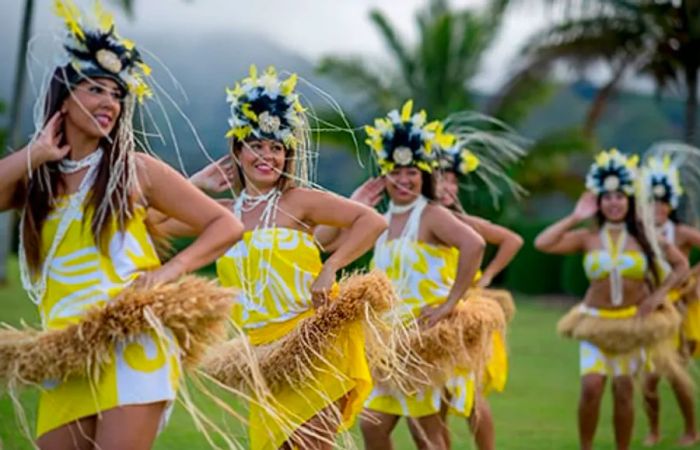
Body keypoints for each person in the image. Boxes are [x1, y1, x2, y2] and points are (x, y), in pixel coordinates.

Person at [0, 1, 243, 449]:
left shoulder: (135, 171)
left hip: (133, 344)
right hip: (65, 354)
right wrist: (33, 155)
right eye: (95, 89)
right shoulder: (35, 181)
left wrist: (165, 275)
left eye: (116, 94)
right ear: (64, 97)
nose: (109, 102)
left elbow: (224, 225)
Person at [158, 65, 389, 450]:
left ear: (287, 155)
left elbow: (371, 221)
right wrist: (193, 185)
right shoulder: (222, 214)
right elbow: (154, 223)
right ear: (237, 151)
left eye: (276, 148)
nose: (267, 156)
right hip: (264, 358)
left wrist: (330, 268)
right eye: (257, 145)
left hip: (316, 345)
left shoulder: (299, 201)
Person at [535, 149, 688, 450]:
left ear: (629, 201)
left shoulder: (646, 235)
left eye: (620, 197)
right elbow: (543, 243)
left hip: (632, 322)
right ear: (599, 202)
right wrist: (575, 217)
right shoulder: (587, 237)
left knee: (623, 391)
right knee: (591, 387)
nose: (614, 203)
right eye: (607, 197)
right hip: (596, 321)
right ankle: (586, 447)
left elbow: (681, 266)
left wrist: (657, 297)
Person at [640, 152, 700, 447]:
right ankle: (654, 430)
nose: (658, 208)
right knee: (649, 379)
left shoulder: (682, 233)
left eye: (663, 202)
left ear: (671, 205)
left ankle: (691, 429)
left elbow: (683, 268)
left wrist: (694, 279)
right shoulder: (638, 234)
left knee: (677, 375)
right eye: (653, 202)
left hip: (680, 311)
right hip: (652, 309)